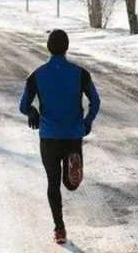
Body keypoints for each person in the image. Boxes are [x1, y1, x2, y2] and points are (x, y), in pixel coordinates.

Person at [19, 29, 100, 245]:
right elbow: (96, 101)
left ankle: (60, 229)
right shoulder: (80, 73)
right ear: (67, 47)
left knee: (53, 183)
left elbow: (23, 106)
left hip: (49, 137)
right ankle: (72, 169)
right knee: (70, 184)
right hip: (74, 134)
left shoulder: (36, 75)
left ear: (48, 47)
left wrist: (32, 112)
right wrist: (87, 121)